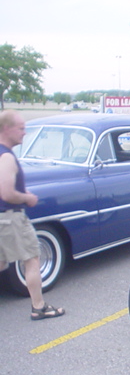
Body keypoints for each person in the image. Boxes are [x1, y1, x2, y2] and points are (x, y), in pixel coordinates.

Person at [0, 110, 65, 320]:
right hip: (11, 218)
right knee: (32, 260)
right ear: (6, 128)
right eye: (20, 128)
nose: (24, 133)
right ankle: (39, 307)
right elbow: (7, 193)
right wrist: (26, 198)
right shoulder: (7, 156)